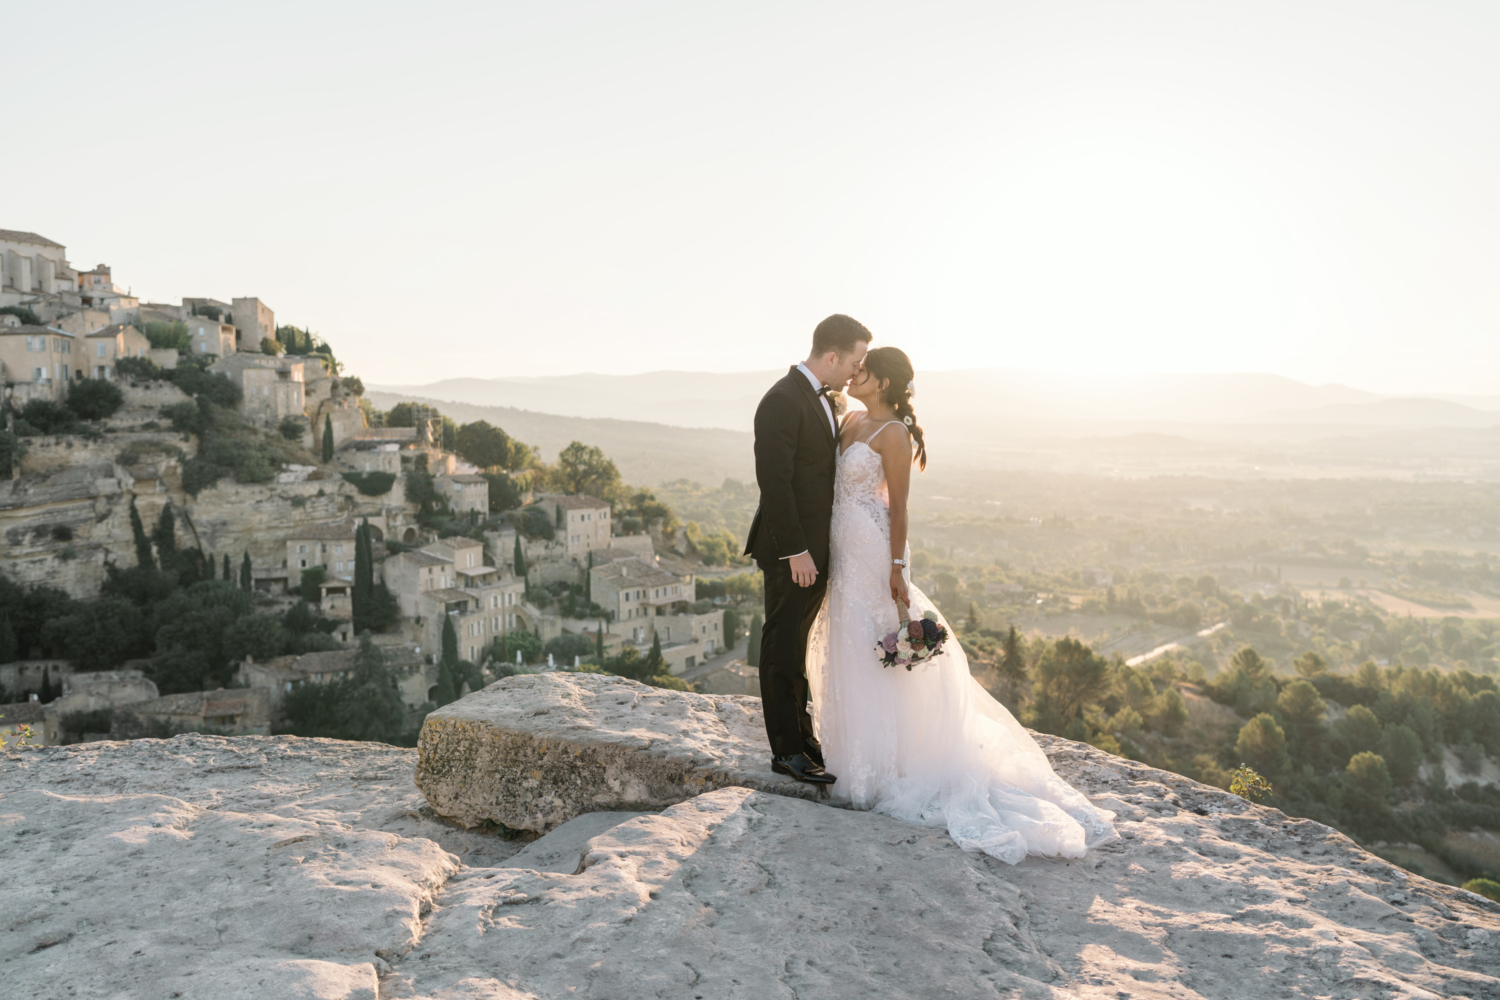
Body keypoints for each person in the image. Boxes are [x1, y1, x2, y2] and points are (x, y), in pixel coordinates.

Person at [806, 346, 1120, 863]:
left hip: (873, 551)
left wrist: (898, 569)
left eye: (862, 371)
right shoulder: (852, 418)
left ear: (882, 381)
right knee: (847, 639)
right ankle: (853, 755)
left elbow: (900, 508)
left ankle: (887, 764)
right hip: (843, 548)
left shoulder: (895, 435)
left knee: (878, 645)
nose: (853, 375)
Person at [744, 314, 871, 785]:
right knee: (781, 647)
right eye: (854, 362)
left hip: (815, 552)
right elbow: (774, 483)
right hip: (789, 551)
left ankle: (804, 741)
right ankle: (785, 754)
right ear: (832, 357)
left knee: (797, 646)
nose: (856, 372)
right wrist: (796, 550)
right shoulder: (781, 400)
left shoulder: (822, 398)